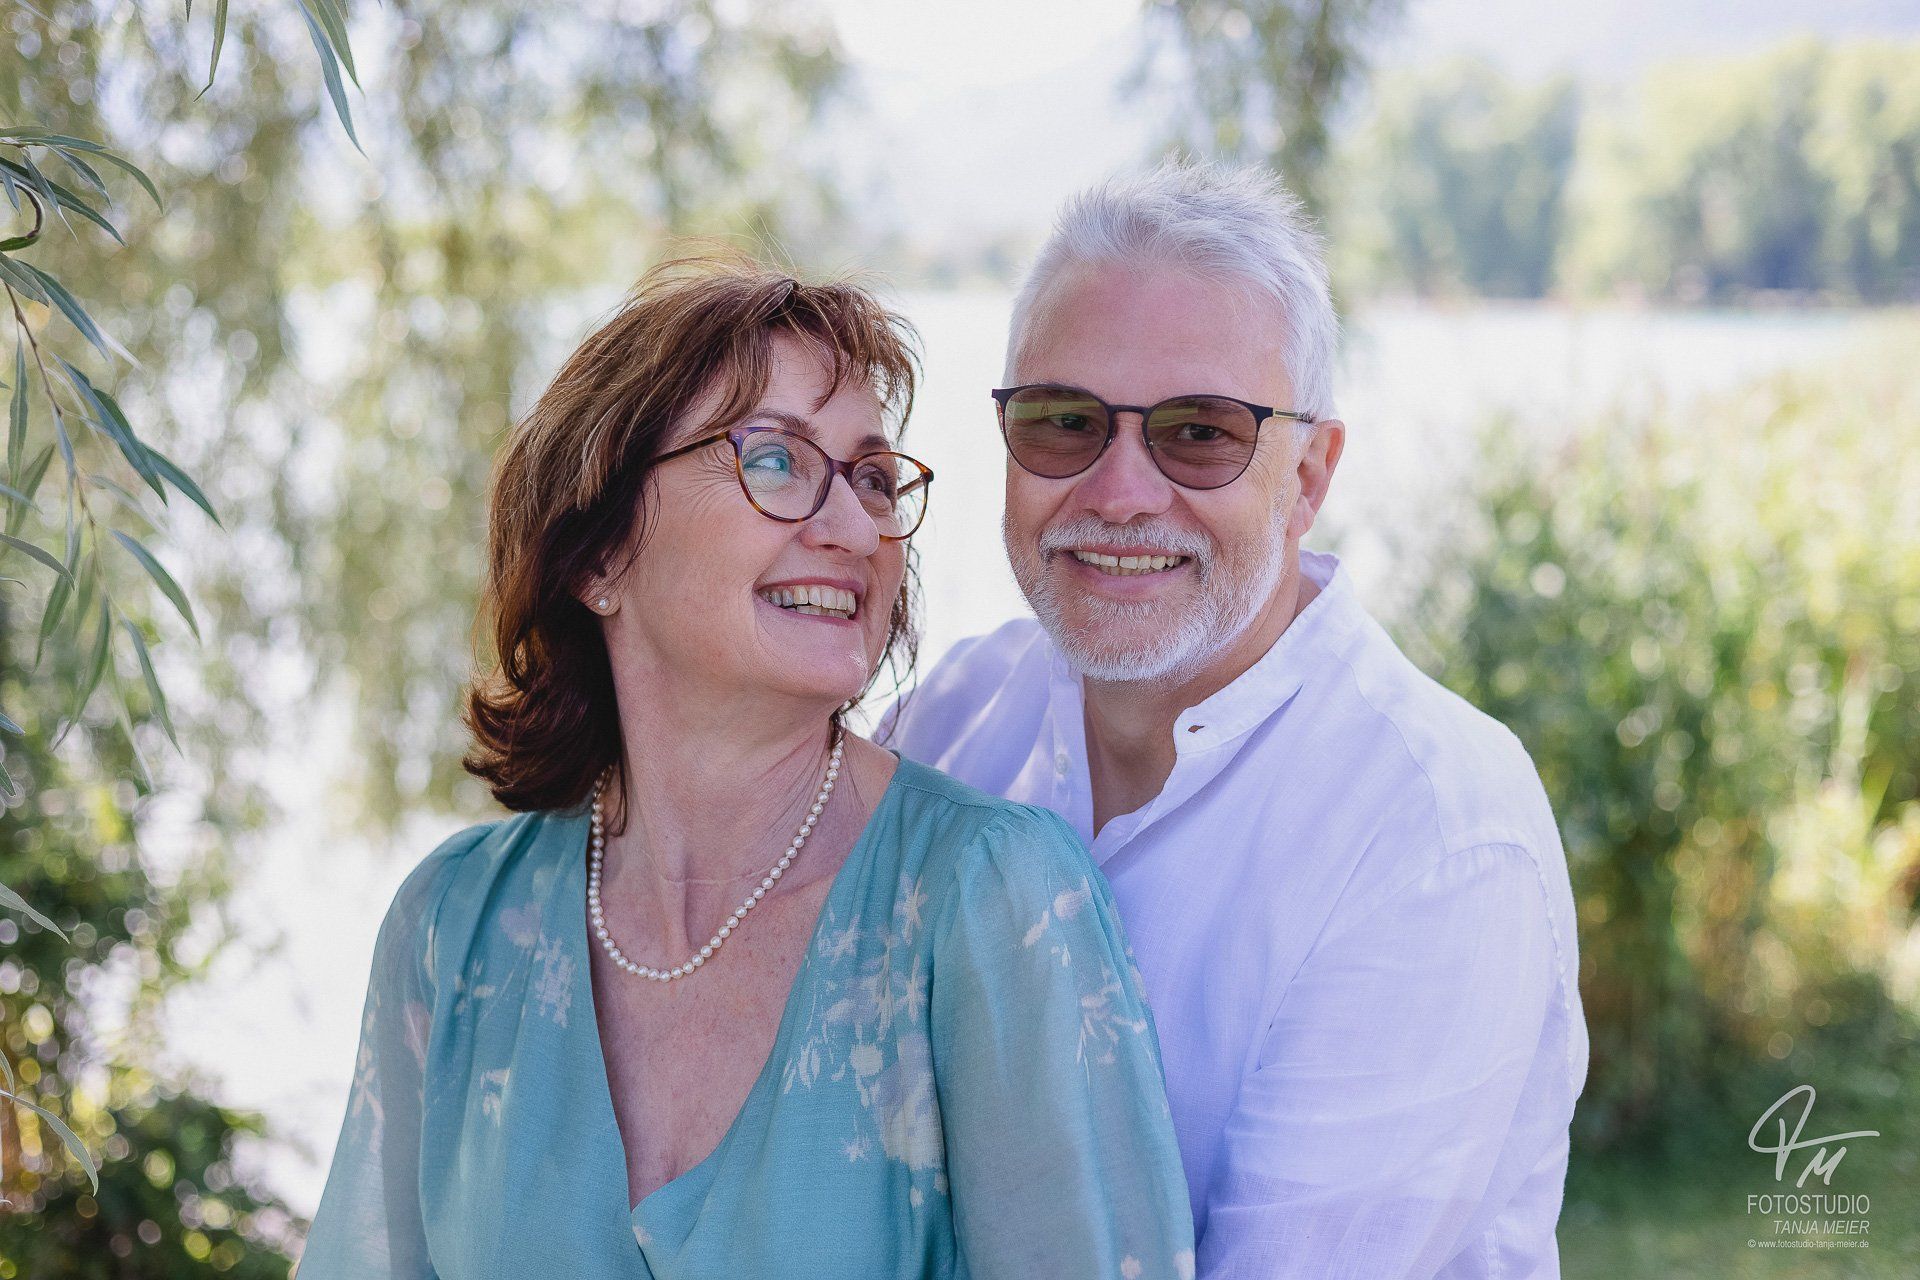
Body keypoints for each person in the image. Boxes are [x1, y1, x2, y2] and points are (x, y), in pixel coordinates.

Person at [296, 253, 1196, 1279]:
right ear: (597, 551)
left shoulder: (992, 902)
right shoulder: (455, 926)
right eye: (774, 460)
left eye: (872, 477)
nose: (853, 529)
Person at [881, 160, 1590, 1279]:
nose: (1119, 493)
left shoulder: (1432, 837)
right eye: (1064, 421)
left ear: (1308, 474)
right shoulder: (946, 724)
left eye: (1200, 433)